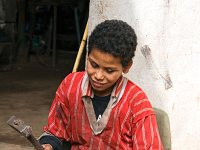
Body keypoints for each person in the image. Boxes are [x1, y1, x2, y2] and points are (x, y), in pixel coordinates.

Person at [39, 20, 164, 150]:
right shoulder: (70, 86)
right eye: (94, 65)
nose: (98, 76)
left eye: (109, 71)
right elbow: (55, 132)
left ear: (126, 67)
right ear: (87, 55)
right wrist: (48, 144)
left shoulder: (136, 102)